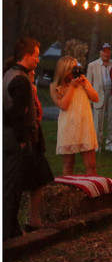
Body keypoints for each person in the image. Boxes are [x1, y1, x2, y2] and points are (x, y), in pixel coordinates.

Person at [3, 38, 54, 240]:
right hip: (16, 142)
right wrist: (22, 139)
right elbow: (17, 113)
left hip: (12, 139)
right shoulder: (20, 80)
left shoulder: (10, 74)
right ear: (27, 56)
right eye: (35, 55)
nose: (38, 59)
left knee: (14, 185)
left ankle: (13, 227)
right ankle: (8, 231)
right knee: (12, 187)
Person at [50, 56, 99, 175]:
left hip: (85, 126)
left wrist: (85, 84)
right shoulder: (56, 86)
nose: (76, 71)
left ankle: (93, 190)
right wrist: (71, 87)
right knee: (68, 164)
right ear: (65, 70)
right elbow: (63, 105)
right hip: (68, 127)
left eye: (77, 68)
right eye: (73, 69)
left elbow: (96, 98)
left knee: (91, 165)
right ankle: (68, 191)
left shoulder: (82, 81)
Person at [86, 42, 112, 152]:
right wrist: (89, 100)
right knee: (97, 120)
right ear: (100, 52)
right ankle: (96, 142)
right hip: (98, 94)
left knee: (111, 119)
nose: (106, 54)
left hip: (111, 93)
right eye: (104, 51)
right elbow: (88, 83)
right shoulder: (92, 65)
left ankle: (110, 143)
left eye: (108, 51)